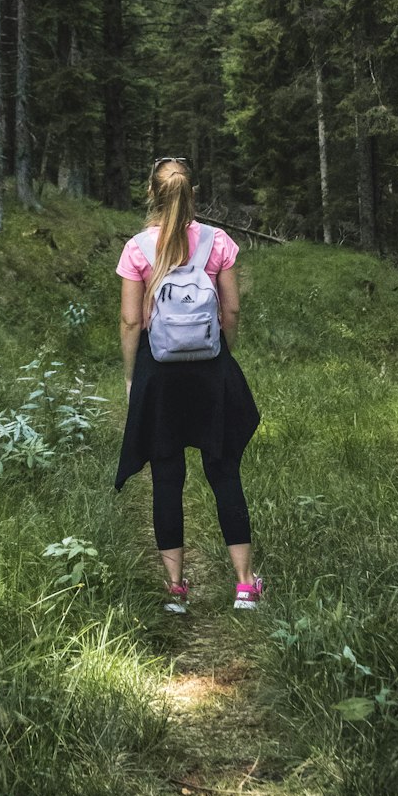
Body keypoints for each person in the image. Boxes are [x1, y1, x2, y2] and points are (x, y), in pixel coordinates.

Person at [114, 157, 262, 613]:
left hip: (161, 373)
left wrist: (130, 375)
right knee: (223, 471)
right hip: (209, 368)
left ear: (151, 194)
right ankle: (244, 586)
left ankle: (176, 590)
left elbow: (130, 320)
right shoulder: (218, 242)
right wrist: (223, 349)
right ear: (192, 192)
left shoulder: (138, 248)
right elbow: (232, 311)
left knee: (167, 476)